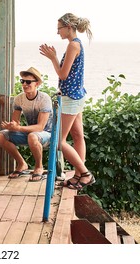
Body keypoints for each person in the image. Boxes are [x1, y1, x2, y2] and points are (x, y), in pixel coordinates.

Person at [39, 12, 95, 189]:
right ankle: (79, 175)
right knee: (78, 136)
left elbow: (63, 74)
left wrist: (53, 58)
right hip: (77, 95)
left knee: (59, 141)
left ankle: (85, 173)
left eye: (59, 28)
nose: (58, 32)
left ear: (68, 27)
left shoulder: (73, 45)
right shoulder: (76, 44)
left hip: (70, 97)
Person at [0, 67, 53, 181]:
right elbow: (15, 121)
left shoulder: (44, 98)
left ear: (36, 83)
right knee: (1, 135)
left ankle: (39, 167)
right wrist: (11, 126)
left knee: (33, 136)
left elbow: (40, 127)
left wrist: (19, 127)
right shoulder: (19, 99)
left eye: (28, 82)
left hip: (46, 134)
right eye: (22, 81)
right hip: (30, 133)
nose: (24, 84)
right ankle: (22, 163)